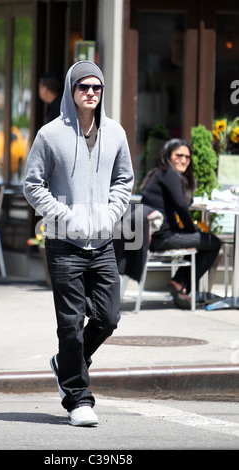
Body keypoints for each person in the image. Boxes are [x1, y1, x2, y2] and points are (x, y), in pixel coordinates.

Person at [24, 60, 134, 426]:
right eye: (84, 87)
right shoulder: (50, 135)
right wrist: (65, 216)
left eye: (97, 87)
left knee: (108, 316)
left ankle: (65, 363)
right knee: (70, 324)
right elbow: (33, 185)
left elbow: (124, 180)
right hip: (63, 244)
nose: (91, 93)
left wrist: (110, 214)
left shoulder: (116, 134)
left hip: (102, 242)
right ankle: (77, 399)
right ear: (71, 91)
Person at [140, 138, 221, 309]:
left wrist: (191, 231)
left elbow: (179, 204)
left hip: (156, 235)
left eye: (187, 157)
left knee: (204, 242)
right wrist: (193, 230)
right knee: (213, 243)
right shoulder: (169, 173)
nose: (184, 160)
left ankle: (180, 284)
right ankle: (180, 284)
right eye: (179, 155)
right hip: (162, 237)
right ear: (168, 156)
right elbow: (181, 206)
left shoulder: (161, 173)